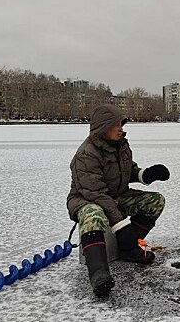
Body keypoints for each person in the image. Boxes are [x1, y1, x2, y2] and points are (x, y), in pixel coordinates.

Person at [66, 104, 170, 296]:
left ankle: (127, 249)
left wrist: (147, 175)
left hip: (115, 195)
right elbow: (97, 194)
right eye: (116, 125)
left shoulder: (121, 144)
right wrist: (121, 226)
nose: (121, 128)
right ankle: (99, 273)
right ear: (103, 127)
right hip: (87, 199)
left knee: (155, 201)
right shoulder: (86, 155)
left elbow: (128, 170)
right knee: (93, 214)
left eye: (121, 124)